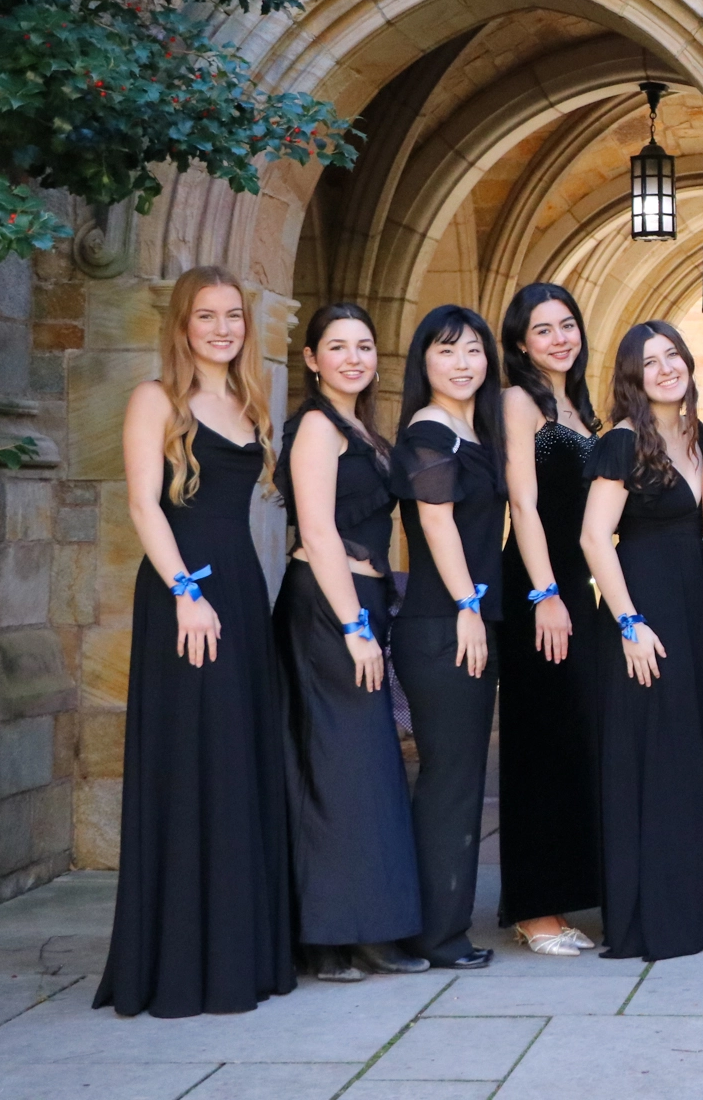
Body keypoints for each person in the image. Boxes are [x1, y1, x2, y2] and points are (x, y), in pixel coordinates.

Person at [96, 266, 293, 1017]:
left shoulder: (250, 399)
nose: (221, 327)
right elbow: (145, 507)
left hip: (240, 592)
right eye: (206, 315)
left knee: (239, 758)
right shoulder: (157, 398)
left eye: (233, 314)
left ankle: (238, 951)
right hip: (186, 592)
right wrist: (185, 594)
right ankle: (179, 962)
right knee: (191, 760)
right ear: (181, 323)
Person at [275, 303, 426, 982]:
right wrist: (355, 626)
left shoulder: (362, 428)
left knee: (365, 768)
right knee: (337, 768)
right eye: (337, 347)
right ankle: (329, 935)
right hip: (327, 608)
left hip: (360, 600)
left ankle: (370, 927)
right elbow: (317, 530)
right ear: (311, 359)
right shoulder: (315, 426)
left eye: (364, 345)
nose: (353, 357)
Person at [580, 320, 703, 962]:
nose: (666, 367)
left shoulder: (702, 437)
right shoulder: (621, 441)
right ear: (632, 376)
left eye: (673, 355)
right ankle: (652, 919)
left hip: (695, 613)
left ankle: (693, 908)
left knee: (689, 758)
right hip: (646, 616)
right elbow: (593, 539)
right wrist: (629, 624)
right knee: (653, 761)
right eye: (650, 360)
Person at [389, 304, 508, 971]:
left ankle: (442, 926)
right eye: (446, 351)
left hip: (465, 619)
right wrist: (469, 604)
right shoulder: (430, 430)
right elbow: (436, 525)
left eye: (473, 351)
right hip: (444, 623)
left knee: (456, 778)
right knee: (448, 781)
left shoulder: (472, 430)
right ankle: (435, 935)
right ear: (423, 362)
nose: (463, 363)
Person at [496, 283, 602, 957]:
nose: (561, 338)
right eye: (544, 329)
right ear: (521, 343)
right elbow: (525, 505)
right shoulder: (519, 401)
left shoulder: (577, 406)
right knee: (538, 743)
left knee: (571, 739)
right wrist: (545, 594)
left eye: (568, 325)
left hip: (575, 586)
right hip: (540, 587)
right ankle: (534, 911)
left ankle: (560, 893)